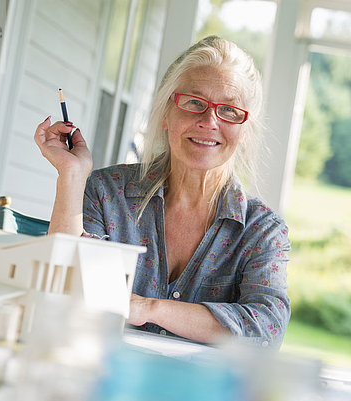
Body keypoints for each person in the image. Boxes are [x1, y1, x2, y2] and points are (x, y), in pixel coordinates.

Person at [34, 36, 290, 347]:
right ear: (167, 113)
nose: (209, 121)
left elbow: (266, 332)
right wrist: (71, 176)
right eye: (194, 102)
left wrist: (147, 308)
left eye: (229, 110)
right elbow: (59, 294)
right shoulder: (106, 194)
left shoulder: (262, 231)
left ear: (243, 130)